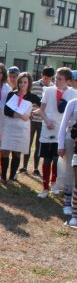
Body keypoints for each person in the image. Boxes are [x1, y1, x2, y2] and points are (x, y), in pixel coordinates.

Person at [37, 67, 76, 199]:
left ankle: (54, 184)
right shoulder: (48, 91)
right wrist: (47, 121)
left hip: (63, 132)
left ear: (68, 81)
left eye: (60, 79)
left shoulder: (73, 94)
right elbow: (41, 110)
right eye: (56, 78)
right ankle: (44, 187)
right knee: (47, 159)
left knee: (57, 159)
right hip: (48, 129)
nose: (56, 81)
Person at [0, 73, 41, 183]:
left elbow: (43, 107)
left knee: (17, 152)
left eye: (25, 82)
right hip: (9, 126)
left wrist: (31, 114)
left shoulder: (33, 97)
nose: (22, 84)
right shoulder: (11, 94)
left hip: (22, 128)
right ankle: (3, 176)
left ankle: (12, 177)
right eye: (20, 82)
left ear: (29, 83)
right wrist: (20, 115)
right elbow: (6, 111)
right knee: (5, 151)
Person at [20, 66, 54, 176]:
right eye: (46, 78)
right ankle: (24, 166)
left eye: (50, 78)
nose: (47, 80)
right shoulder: (33, 85)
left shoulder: (52, 88)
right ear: (41, 75)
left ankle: (35, 168)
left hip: (43, 121)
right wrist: (31, 112)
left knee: (39, 145)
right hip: (31, 119)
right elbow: (28, 99)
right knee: (28, 143)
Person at [58, 97, 77, 227]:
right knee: (69, 172)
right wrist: (61, 144)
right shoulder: (73, 103)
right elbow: (63, 124)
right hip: (71, 139)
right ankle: (67, 202)